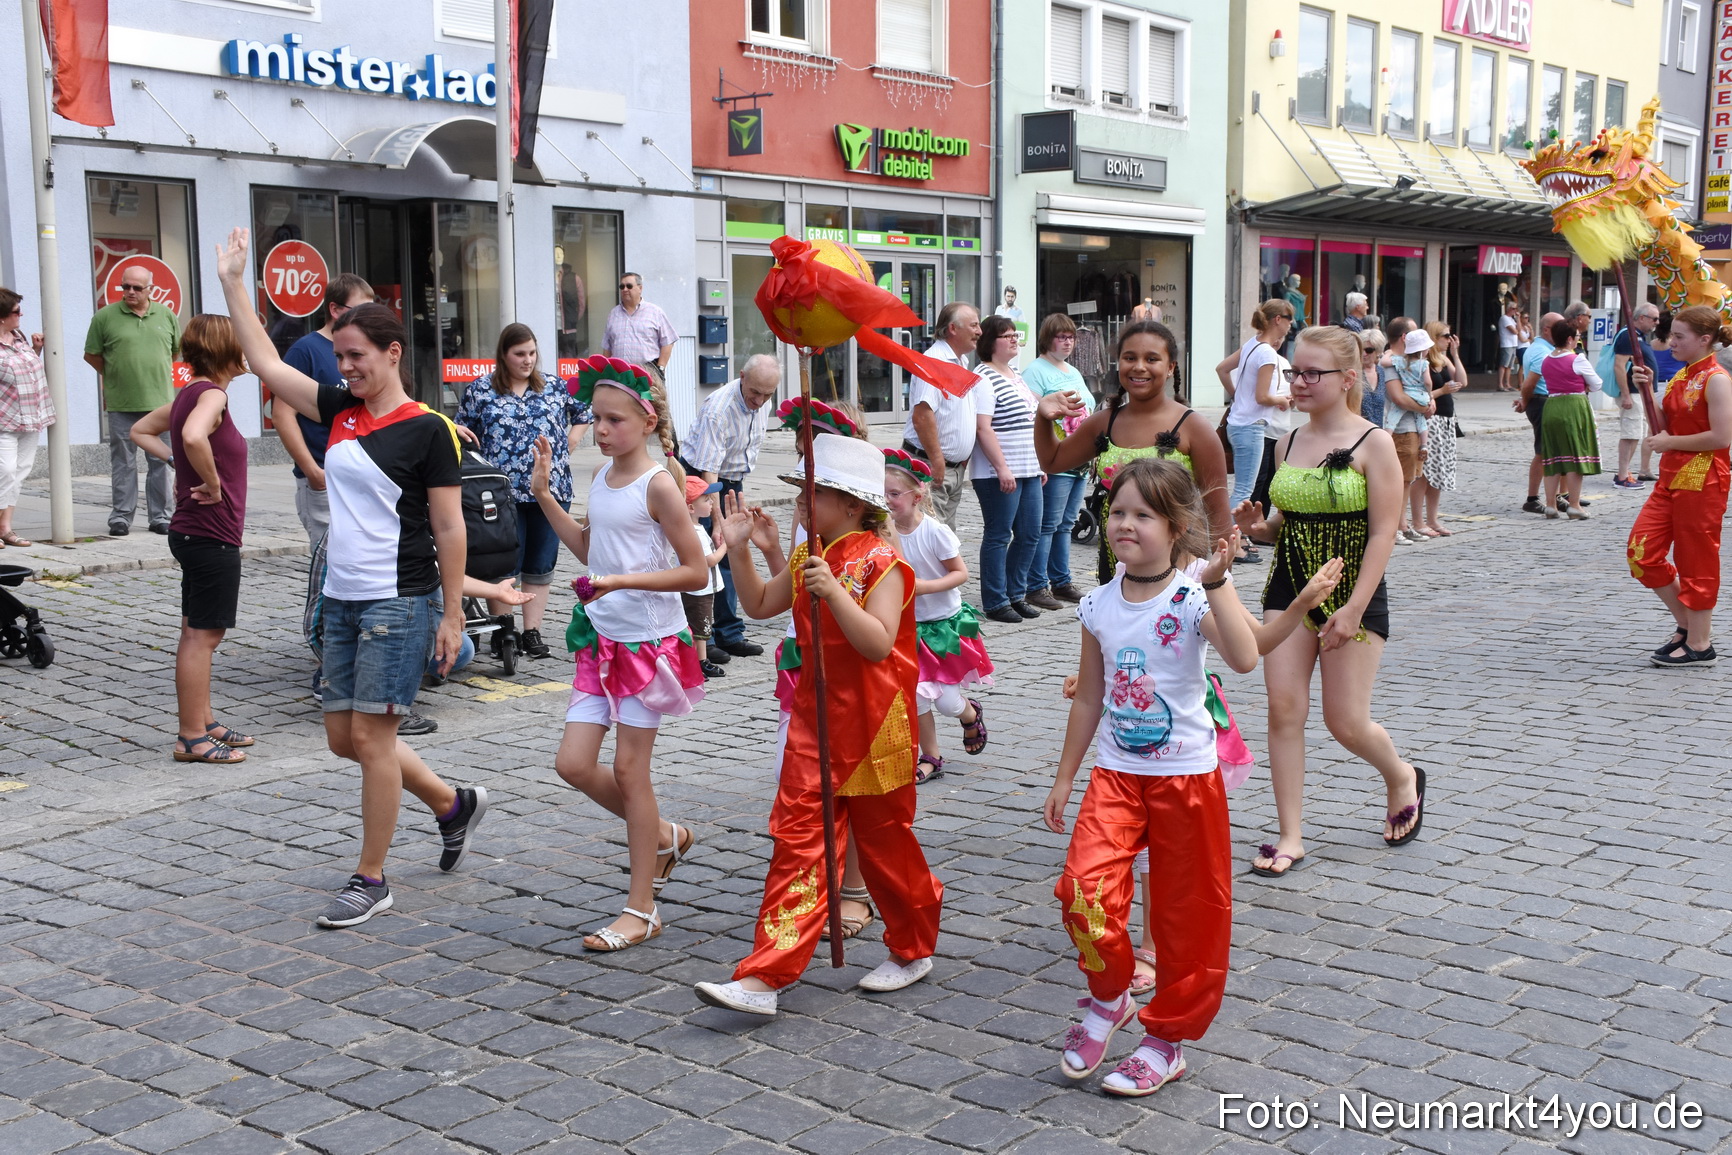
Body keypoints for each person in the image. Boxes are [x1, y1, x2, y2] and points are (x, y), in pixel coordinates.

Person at [217, 227, 487, 930]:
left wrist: (452, 613)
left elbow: (450, 527)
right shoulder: (339, 409)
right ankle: (452, 804)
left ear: (392, 352)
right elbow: (264, 362)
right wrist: (233, 284)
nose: (345, 367)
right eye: (339, 357)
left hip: (399, 600)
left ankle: (371, 878)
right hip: (341, 597)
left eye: (356, 356)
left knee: (371, 740)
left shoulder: (428, 428)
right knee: (345, 737)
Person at [694, 433, 944, 1017]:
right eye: (802, 493)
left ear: (852, 505)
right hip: (816, 722)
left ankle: (912, 947)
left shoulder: (885, 563)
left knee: (886, 845)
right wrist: (741, 550)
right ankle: (765, 976)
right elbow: (759, 605)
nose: (802, 503)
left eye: (813, 494)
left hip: (875, 725)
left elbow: (878, 643)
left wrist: (833, 593)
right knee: (798, 842)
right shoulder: (812, 554)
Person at [1042, 459, 1260, 1097]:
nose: (1125, 524)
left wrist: (1219, 583)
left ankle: (1166, 1041)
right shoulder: (1097, 605)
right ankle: (1109, 997)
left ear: (1176, 527)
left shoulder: (1191, 598)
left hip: (1186, 780)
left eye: (1143, 514)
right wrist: (1064, 777)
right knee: (1081, 890)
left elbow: (1245, 657)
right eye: (1117, 512)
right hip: (1115, 775)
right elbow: (1090, 696)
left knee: (1187, 913)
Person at [1233, 325, 1425, 878]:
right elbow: (1283, 521)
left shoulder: (1374, 442)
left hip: (1351, 588)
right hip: (1289, 587)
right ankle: (1290, 835)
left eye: (1311, 373)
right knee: (1283, 709)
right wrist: (1259, 528)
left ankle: (1401, 776)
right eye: (1294, 371)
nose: (1298, 382)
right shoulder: (1286, 442)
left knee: (1345, 721)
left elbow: (1385, 531)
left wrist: (1355, 607)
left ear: (1347, 379)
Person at [530, 357, 708, 951]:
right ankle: (664, 834)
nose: (601, 430)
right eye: (596, 419)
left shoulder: (659, 485)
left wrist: (623, 583)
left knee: (632, 772)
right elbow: (591, 550)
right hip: (601, 638)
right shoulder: (603, 476)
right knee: (573, 764)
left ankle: (642, 908)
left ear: (647, 421)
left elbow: (694, 571)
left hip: (647, 646)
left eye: (614, 420)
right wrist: (544, 497)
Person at [127, 316, 253, 765]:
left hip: (192, 530)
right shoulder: (213, 394)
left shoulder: (189, 393)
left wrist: (177, 462)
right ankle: (192, 738)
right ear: (226, 349)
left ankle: (204, 722)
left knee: (194, 631)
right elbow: (193, 436)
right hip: (210, 532)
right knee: (204, 636)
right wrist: (212, 482)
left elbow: (140, 430)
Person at [1040, 320, 1231, 581]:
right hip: (1118, 559)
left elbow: (1218, 511)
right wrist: (1043, 417)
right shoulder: (1104, 422)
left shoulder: (1194, 427)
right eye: (1130, 358)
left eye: (1152, 359)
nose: (1139, 366)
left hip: (1178, 563)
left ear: (1170, 367)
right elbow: (1052, 461)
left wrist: (1221, 580)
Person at [454, 323, 593, 660]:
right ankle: (504, 630)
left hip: (550, 488)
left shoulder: (555, 386)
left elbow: (584, 412)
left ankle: (532, 631)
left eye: (532, 353)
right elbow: (462, 433)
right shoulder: (481, 390)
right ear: (504, 355)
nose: (528, 360)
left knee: (540, 564)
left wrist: (571, 441)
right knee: (503, 564)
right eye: (520, 354)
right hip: (500, 494)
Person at [1627, 306, 1732, 667]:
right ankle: (1687, 625)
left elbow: (1721, 437)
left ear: (1704, 339)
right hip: (1671, 477)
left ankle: (1700, 644)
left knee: (1696, 559)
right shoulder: (1681, 376)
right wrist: (1644, 389)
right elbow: (1661, 425)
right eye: (1672, 334)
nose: (1670, 341)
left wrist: (1670, 442)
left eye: (1679, 336)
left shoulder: (1717, 379)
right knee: (1641, 553)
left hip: (1703, 479)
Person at [884, 448, 991, 784]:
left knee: (946, 703)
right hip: (907, 628)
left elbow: (961, 573)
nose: (886, 500)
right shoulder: (883, 532)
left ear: (917, 497)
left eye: (894, 494)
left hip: (943, 626)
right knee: (916, 697)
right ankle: (930, 756)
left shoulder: (934, 532)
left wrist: (924, 587)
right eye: (882, 493)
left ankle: (969, 713)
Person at [680, 354, 780, 661]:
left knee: (734, 552)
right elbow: (709, 471)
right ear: (742, 377)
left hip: (732, 479)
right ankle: (703, 636)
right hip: (702, 480)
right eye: (755, 392)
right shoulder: (719, 409)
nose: (759, 401)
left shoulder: (761, 401)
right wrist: (717, 520)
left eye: (767, 395)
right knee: (706, 554)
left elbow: (739, 460)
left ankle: (729, 632)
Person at [277, 274, 376, 547]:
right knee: (328, 558)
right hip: (324, 476)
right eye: (360, 310)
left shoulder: (364, 348)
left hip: (360, 472)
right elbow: (282, 415)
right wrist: (312, 471)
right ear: (335, 309)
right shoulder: (305, 350)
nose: (367, 318)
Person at [85, 262, 178, 536]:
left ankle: (161, 517)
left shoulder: (166, 315)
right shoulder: (104, 317)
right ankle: (121, 518)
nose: (130, 292)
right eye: (125, 286)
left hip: (160, 404)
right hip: (122, 404)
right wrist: (115, 374)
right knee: (123, 463)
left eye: (137, 287)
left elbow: (174, 353)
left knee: (162, 462)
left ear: (151, 289)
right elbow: (91, 354)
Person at [970, 315, 1045, 623]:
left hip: (1028, 468)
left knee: (1030, 534)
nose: (1015, 339)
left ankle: (1016, 594)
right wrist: (1002, 468)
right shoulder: (983, 377)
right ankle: (996, 600)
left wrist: (1040, 463)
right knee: (999, 535)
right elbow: (983, 428)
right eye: (1007, 335)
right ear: (990, 341)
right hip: (997, 472)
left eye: (1016, 334)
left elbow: (1030, 422)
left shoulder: (1015, 374)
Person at [1023, 313, 1091, 605]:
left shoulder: (1073, 371)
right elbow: (1032, 414)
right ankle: (1036, 584)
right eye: (1061, 337)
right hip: (1057, 457)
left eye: (1071, 337)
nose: (1067, 343)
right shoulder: (1035, 371)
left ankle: (1061, 580)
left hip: (1079, 458)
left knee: (1066, 523)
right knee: (1048, 523)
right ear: (1047, 339)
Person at [902, 302, 985, 528]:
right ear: (953, 329)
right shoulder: (934, 361)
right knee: (929, 534)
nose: (979, 331)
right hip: (932, 466)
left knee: (944, 536)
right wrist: (938, 460)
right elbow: (922, 416)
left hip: (951, 469)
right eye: (974, 325)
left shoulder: (960, 360)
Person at [1219, 301, 1294, 530]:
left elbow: (1222, 369)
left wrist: (1238, 395)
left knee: (1243, 488)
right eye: (1289, 319)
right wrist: (1282, 400)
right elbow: (1262, 397)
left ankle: (1229, 535)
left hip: (1238, 422)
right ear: (1278, 319)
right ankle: (1228, 535)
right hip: (1251, 426)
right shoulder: (1267, 353)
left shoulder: (1252, 344)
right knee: (1244, 490)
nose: (1291, 325)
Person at [1533, 320, 1601, 519]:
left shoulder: (1546, 359)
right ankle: (1574, 505)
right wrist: (1584, 385)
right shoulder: (1577, 359)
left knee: (1552, 456)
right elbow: (1597, 384)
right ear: (1570, 339)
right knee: (1575, 456)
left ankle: (1550, 505)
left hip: (1552, 405)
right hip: (1573, 406)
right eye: (1577, 337)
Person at [0, 289, 52, 548]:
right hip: (5, 420)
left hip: (31, 416)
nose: (21, 315)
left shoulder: (19, 337)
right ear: (1, 316)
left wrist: (36, 350)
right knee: (5, 471)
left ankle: (5, 528)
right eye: (16, 311)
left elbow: (23, 371)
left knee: (20, 472)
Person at [1383, 329, 1436, 543]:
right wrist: (1428, 399)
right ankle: (1397, 527)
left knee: (1408, 480)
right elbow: (1399, 399)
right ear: (1403, 336)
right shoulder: (1416, 364)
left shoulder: (1397, 362)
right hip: (1407, 429)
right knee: (1403, 481)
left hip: (1407, 426)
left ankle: (1402, 525)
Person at [1416, 322, 1466, 537]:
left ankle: (1432, 519)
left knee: (1439, 471)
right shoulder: (1423, 362)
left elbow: (1462, 382)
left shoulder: (1443, 360)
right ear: (1434, 337)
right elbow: (1419, 395)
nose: (1449, 339)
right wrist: (1442, 391)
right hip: (1430, 420)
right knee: (1424, 473)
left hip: (1446, 420)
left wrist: (1455, 355)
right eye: (1445, 336)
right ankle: (1418, 521)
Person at [680, 475, 729, 679]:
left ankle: (695, 661)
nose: (711, 503)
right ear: (691, 507)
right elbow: (709, 560)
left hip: (697, 587)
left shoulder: (692, 528)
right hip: (700, 589)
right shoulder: (695, 532)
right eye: (706, 499)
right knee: (701, 627)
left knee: (698, 625)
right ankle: (701, 662)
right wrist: (726, 546)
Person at [1516, 311, 1564, 514]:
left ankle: (1558, 497)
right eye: (1559, 328)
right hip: (1542, 401)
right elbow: (1529, 383)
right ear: (1546, 330)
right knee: (1543, 452)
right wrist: (1525, 402)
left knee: (1554, 451)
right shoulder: (1542, 352)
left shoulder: (1544, 348)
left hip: (1545, 400)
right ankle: (1533, 498)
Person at [1612, 303, 1661, 488]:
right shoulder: (1628, 335)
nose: (1657, 322)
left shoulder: (1638, 335)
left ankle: (1627, 473)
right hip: (1632, 392)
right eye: (1654, 319)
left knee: (1636, 432)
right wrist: (1625, 394)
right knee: (1630, 433)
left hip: (1638, 392)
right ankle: (1622, 476)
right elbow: (1619, 365)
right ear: (1641, 318)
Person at [602, 273, 676, 382]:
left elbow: (668, 341)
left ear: (640, 288)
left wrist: (660, 368)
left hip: (648, 374)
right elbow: (607, 347)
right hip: (619, 376)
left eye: (629, 286)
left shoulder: (655, 312)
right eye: (622, 286)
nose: (625, 289)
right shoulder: (613, 314)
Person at [1355, 329, 1387, 429]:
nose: (1364, 353)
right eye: (1361, 349)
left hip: (1377, 432)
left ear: (1378, 351)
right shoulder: (1353, 373)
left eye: (1368, 350)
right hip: (1358, 431)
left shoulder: (1381, 372)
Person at [1497, 301, 1522, 392]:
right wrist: (1516, 330)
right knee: (1504, 364)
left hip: (1513, 344)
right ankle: (1500, 384)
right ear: (1508, 309)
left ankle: (1507, 384)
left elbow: (1519, 330)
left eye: (1516, 309)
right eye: (1513, 309)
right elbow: (1514, 331)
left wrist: (1518, 319)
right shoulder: (1504, 318)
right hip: (1506, 344)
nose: (1515, 311)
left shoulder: (1512, 319)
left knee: (1509, 366)